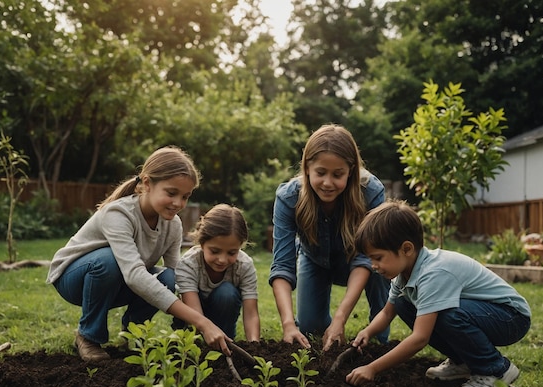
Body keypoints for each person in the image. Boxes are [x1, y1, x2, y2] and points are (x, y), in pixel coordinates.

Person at [46, 146, 232, 362]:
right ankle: (88, 336)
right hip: (74, 279)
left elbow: (178, 277)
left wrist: (194, 322)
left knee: (168, 279)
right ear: (146, 183)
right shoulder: (118, 214)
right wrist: (202, 322)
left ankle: (133, 334)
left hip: (119, 282)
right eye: (171, 193)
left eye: (185, 196)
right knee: (109, 260)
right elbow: (134, 274)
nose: (178, 203)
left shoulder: (173, 225)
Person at [345, 200, 531, 387]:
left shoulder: (434, 273)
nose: (373, 265)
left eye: (378, 258)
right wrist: (368, 332)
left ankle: (495, 370)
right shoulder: (403, 275)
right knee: (403, 304)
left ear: (406, 249)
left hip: (511, 317)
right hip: (484, 314)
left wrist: (372, 368)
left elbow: (420, 338)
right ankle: (463, 362)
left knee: (447, 314)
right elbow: (388, 312)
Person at [269, 124, 390, 351]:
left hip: (361, 263)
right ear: (307, 168)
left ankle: (377, 341)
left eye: (338, 175)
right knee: (309, 327)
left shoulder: (371, 192)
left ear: (351, 171)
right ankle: (330, 338)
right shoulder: (288, 198)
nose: (327, 183)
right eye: (320, 172)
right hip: (315, 261)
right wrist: (288, 323)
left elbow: (366, 258)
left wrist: (340, 318)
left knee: (379, 266)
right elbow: (282, 266)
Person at [174, 204, 261, 342]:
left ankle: (225, 340)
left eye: (232, 252)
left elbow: (251, 314)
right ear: (202, 244)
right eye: (215, 251)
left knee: (226, 292)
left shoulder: (244, 265)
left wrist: (254, 344)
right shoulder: (189, 264)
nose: (222, 259)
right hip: (193, 323)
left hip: (223, 323)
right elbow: (193, 310)